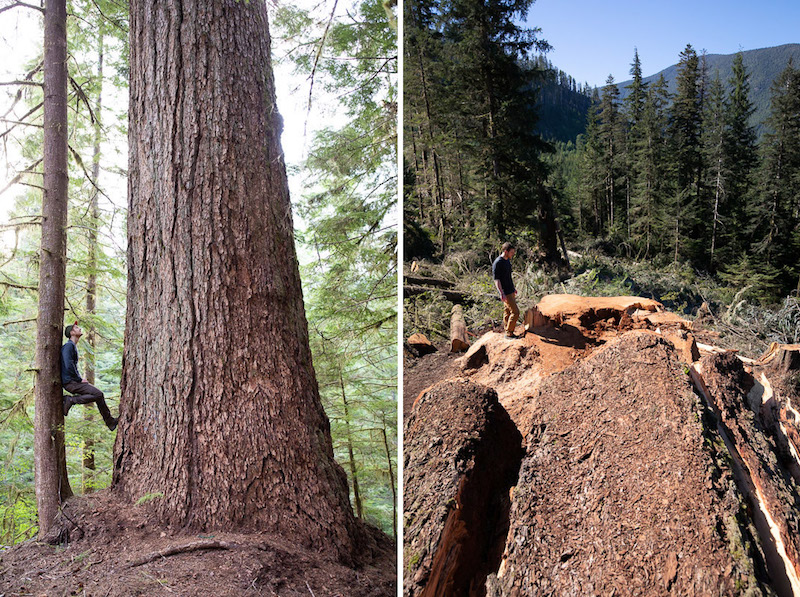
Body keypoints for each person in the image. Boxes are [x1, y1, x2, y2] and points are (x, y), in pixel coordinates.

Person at [61, 322, 118, 431]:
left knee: (98, 395)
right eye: (76, 328)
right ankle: (71, 400)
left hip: (72, 382)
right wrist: (79, 379)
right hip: (71, 383)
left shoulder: (71, 346)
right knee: (98, 394)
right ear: (72, 332)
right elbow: (69, 365)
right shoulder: (69, 346)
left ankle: (110, 422)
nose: (79, 328)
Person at [492, 242, 520, 339]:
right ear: (505, 251)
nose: (513, 254)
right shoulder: (498, 263)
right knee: (515, 312)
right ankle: (509, 333)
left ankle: (507, 330)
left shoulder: (507, 260)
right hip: (505, 292)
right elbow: (497, 280)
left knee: (507, 312)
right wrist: (501, 293)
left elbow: (508, 276)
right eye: (511, 252)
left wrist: (513, 288)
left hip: (510, 290)